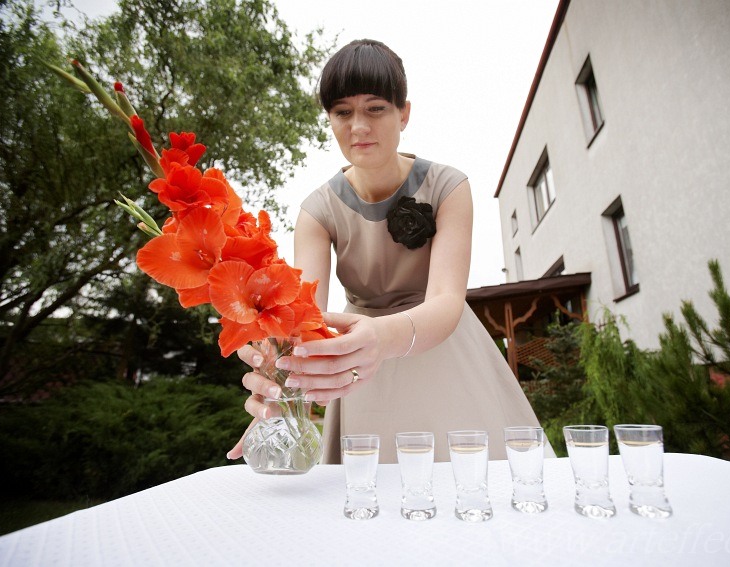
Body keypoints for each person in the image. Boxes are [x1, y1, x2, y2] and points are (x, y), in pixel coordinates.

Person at [227, 39, 554, 464]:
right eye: (342, 112)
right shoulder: (316, 211)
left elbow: (447, 300)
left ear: (404, 113)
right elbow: (305, 317)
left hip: (446, 353)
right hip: (363, 377)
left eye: (375, 108)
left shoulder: (448, 187)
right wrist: (280, 384)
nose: (357, 126)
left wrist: (377, 338)